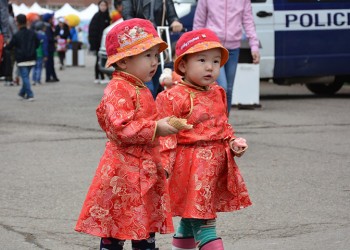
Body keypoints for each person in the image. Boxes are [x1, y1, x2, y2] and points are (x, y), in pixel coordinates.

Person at [75, 18, 179, 250]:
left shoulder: (140, 86)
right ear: (123, 62)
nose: (154, 62)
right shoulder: (118, 88)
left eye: (155, 56)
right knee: (117, 225)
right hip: (122, 171)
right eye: (147, 56)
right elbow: (120, 127)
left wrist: (162, 159)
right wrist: (156, 128)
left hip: (145, 169)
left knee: (145, 226)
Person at [156, 28, 252, 249]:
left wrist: (232, 142)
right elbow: (166, 137)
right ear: (182, 65)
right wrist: (163, 166)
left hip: (215, 165)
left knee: (192, 220)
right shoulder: (172, 96)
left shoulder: (218, 92)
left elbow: (222, 124)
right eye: (202, 60)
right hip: (190, 167)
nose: (210, 67)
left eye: (216, 61)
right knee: (205, 222)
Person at [193, 0, 260, 114]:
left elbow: (248, 21)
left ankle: (224, 125)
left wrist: (254, 46)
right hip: (213, 48)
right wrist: (196, 45)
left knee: (228, 90)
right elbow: (199, 22)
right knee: (222, 87)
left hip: (233, 48)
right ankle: (215, 121)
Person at [122, 0, 183, 98]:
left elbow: (172, 14)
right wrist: (140, 25)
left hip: (158, 46)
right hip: (140, 46)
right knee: (147, 87)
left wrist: (175, 21)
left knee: (159, 83)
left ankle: (154, 105)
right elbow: (127, 15)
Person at [6, 14, 39, 101]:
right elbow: (37, 43)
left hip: (21, 59)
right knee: (26, 76)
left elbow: (10, 46)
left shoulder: (17, 35)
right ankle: (22, 92)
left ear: (18, 23)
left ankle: (30, 94)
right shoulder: (32, 33)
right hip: (32, 57)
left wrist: (7, 44)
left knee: (25, 77)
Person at [88, 0, 110, 84]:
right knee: (98, 60)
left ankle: (105, 75)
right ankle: (98, 76)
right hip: (98, 44)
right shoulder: (96, 16)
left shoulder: (108, 17)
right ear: (99, 6)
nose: (103, 7)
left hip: (107, 43)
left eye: (104, 5)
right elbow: (92, 31)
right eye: (101, 5)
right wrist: (93, 44)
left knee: (107, 60)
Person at [42, 13, 59, 83]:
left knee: (50, 63)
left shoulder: (47, 26)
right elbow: (49, 38)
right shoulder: (48, 27)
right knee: (49, 63)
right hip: (49, 48)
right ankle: (49, 77)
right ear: (49, 19)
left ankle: (52, 76)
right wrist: (55, 39)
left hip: (49, 48)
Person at [32, 21, 48, 85]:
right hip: (40, 53)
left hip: (34, 53)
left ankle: (33, 80)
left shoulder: (34, 34)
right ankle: (38, 80)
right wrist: (46, 55)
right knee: (39, 67)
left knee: (34, 67)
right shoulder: (43, 35)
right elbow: (45, 46)